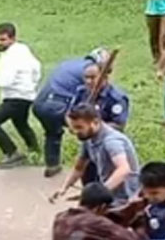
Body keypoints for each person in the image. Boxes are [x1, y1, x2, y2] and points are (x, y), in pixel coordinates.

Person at [33, 48, 110, 177]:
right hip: (58, 105)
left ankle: (52, 165)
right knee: (89, 130)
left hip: (39, 104)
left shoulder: (70, 63)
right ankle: (94, 167)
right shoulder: (89, 70)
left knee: (53, 132)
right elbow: (90, 95)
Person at [51, 106, 142, 204]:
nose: (76, 132)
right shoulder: (88, 138)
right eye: (72, 128)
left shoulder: (112, 141)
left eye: (79, 127)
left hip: (126, 197)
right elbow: (79, 168)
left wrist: (100, 193)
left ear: (95, 122)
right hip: (110, 192)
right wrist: (64, 188)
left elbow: (124, 169)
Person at [0, 22, 42, 168]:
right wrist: (32, 85)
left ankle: (12, 153)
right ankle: (35, 151)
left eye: (3, 40)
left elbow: (7, 81)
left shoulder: (10, 57)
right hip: (27, 95)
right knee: (21, 124)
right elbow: (37, 68)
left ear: (12, 39)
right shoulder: (23, 49)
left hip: (15, 97)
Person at [72, 62, 132, 131]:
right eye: (86, 77)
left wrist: (93, 127)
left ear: (104, 78)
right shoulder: (81, 92)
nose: (88, 81)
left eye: (92, 77)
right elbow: (71, 113)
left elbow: (119, 125)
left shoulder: (116, 98)